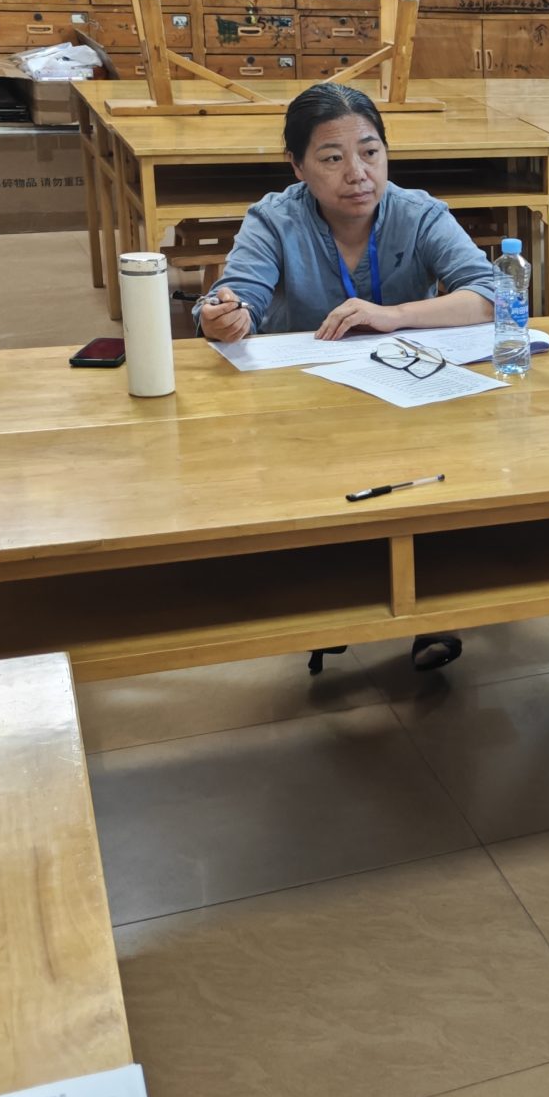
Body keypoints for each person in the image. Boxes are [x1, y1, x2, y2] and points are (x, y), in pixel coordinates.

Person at [198, 83, 502, 674]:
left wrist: (395, 315)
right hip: (305, 400)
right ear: (297, 166)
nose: (357, 173)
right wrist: (224, 317)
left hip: (408, 391)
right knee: (314, 485)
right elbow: (238, 298)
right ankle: (335, 604)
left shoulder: (418, 213)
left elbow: (493, 293)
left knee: (436, 474)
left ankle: (428, 610)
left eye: (370, 152)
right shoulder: (275, 219)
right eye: (332, 158)